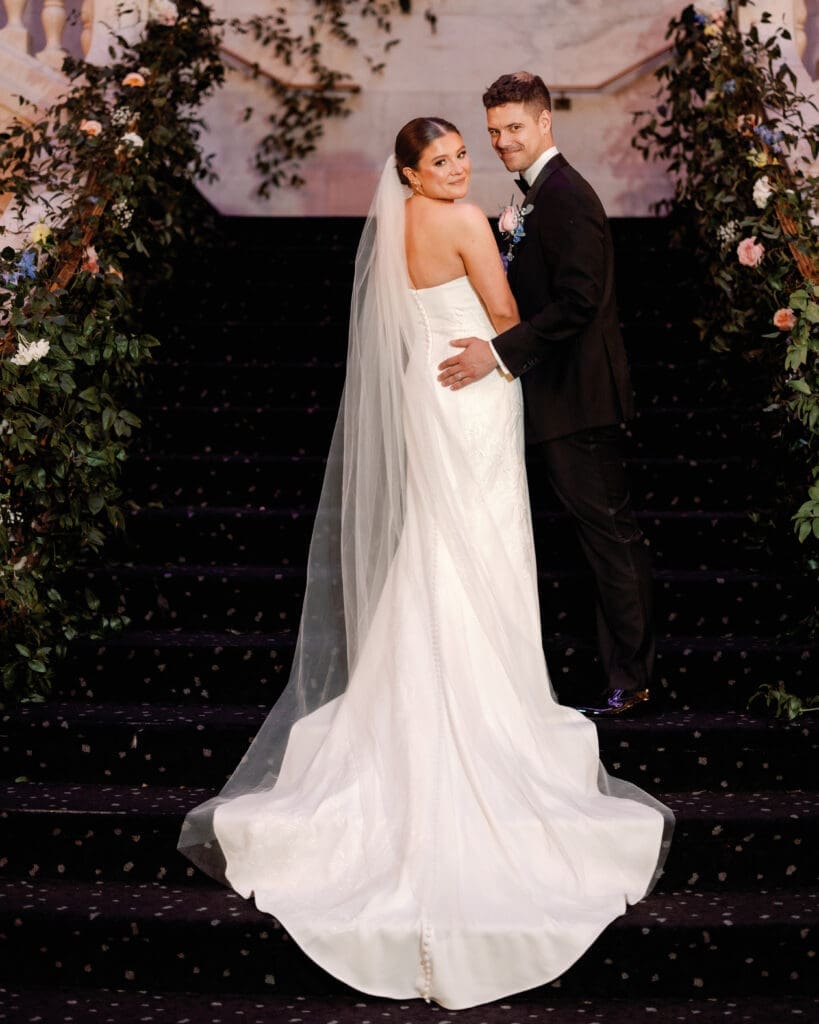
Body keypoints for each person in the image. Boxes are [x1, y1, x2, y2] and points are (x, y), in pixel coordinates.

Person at [178, 117, 673, 1010]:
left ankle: (416, 695)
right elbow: (508, 319)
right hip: (474, 392)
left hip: (425, 394)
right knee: (477, 545)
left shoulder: (398, 222)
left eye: (463, 155)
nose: (458, 167)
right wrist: (499, 257)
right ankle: (487, 706)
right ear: (410, 171)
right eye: (441, 159)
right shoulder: (467, 222)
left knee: (434, 546)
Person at [437, 73, 655, 717]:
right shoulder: (537, 195)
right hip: (557, 395)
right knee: (595, 539)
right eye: (495, 131)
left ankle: (633, 681)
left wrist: (499, 354)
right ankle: (621, 673)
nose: (503, 141)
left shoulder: (567, 195)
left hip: (581, 399)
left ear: (545, 123)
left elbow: (579, 302)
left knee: (610, 539)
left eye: (514, 128)